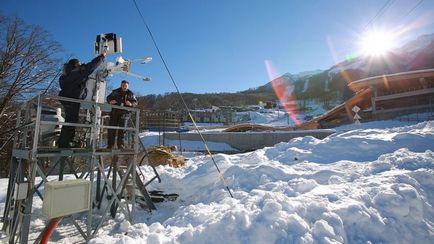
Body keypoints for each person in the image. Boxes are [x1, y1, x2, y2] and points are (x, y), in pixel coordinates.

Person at [58, 50, 106, 148]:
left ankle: (64, 142)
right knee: (71, 121)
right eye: (79, 64)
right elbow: (90, 67)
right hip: (72, 99)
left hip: (66, 98)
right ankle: (66, 143)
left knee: (69, 120)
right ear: (75, 65)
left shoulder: (66, 74)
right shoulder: (77, 72)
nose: (80, 65)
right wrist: (102, 56)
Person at [106, 80, 137, 149]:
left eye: (126, 86)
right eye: (123, 85)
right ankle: (110, 145)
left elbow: (135, 102)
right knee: (111, 129)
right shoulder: (115, 91)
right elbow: (108, 98)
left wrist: (131, 104)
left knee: (122, 130)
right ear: (121, 85)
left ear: (128, 86)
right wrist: (110, 101)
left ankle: (120, 145)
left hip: (124, 114)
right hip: (114, 113)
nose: (124, 87)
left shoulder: (131, 94)